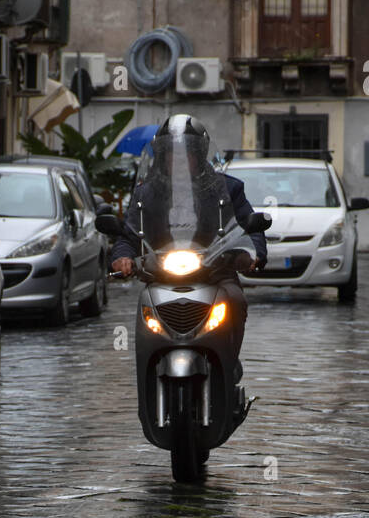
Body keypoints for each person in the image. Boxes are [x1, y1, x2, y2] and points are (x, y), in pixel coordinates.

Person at [111, 115, 267, 381]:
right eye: (173, 155)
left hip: (216, 272)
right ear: (162, 157)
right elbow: (129, 234)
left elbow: (248, 226)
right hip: (160, 274)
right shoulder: (146, 193)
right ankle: (148, 369)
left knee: (237, 300)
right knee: (143, 305)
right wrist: (123, 256)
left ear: (200, 154)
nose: (180, 160)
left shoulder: (227, 189)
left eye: (187, 154)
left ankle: (228, 364)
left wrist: (251, 254)